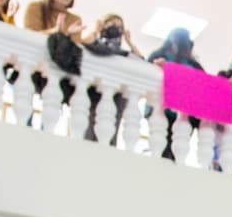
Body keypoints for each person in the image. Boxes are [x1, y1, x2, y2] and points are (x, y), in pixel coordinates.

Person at [80, 13, 141, 143]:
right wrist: (96, 31)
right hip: (94, 90)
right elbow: (82, 44)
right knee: (90, 124)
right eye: (112, 24)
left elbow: (142, 61)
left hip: (117, 95)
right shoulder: (95, 42)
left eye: (120, 27)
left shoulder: (124, 53)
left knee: (112, 128)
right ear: (104, 24)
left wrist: (129, 42)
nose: (115, 28)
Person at [147, 28, 204, 160]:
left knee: (177, 151)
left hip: (184, 115)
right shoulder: (158, 56)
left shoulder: (193, 65)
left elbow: (203, 85)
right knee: (159, 147)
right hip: (162, 110)